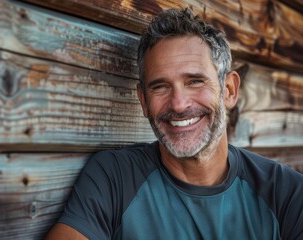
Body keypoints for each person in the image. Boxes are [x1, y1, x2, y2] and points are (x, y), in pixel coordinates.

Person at [46, 8, 303, 240]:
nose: (178, 104)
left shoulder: (288, 193)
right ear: (144, 101)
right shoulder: (114, 178)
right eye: (160, 86)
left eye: (195, 81)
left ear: (228, 90)